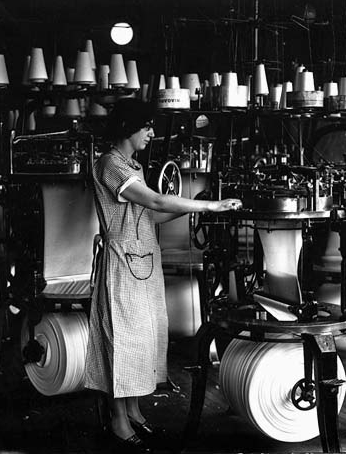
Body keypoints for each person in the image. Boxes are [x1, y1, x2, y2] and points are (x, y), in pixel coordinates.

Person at [84, 98, 242, 451]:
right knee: (122, 342)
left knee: (141, 340)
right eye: (147, 127)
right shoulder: (110, 164)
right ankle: (117, 419)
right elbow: (154, 202)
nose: (152, 133)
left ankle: (133, 410)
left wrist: (189, 207)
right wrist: (209, 205)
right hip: (122, 263)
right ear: (129, 128)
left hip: (143, 260)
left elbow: (149, 216)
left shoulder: (133, 166)